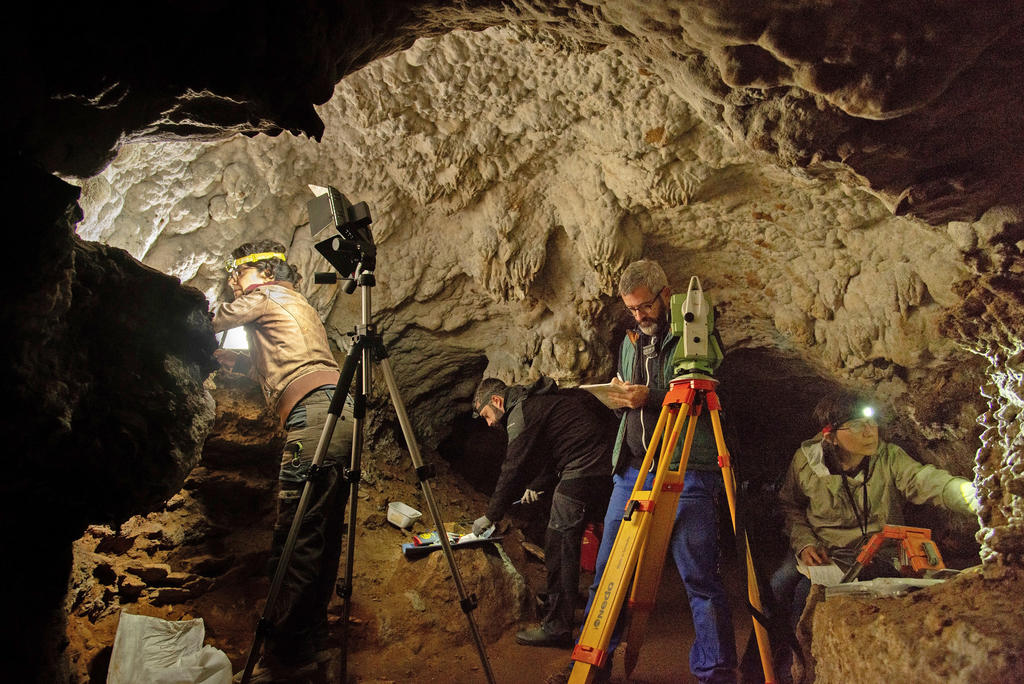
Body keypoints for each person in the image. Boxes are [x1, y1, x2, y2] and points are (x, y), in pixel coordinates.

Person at [582, 259, 737, 683]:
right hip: (632, 470)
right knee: (608, 573)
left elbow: (698, 387)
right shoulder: (631, 339)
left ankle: (716, 673)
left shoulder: (693, 330)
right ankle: (592, 663)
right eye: (631, 310)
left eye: (645, 306)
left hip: (686, 469)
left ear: (666, 294)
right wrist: (621, 397)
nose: (639, 316)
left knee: (700, 578)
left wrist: (646, 397)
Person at [212, 240, 354, 682]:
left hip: (312, 417)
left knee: (293, 541)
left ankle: (274, 660)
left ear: (264, 274)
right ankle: (308, 646)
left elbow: (211, 320)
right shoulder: (300, 304)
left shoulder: (266, 294)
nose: (238, 288)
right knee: (321, 539)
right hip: (341, 415)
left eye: (240, 279)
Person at [772, 389, 977, 631]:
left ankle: (804, 658)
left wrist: (973, 494)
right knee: (779, 584)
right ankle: (773, 646)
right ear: (831, 437)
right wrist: (805, 543)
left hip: (877, 550)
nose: (870, 432)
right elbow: (790, 506)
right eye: (858, 425)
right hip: (825, 548)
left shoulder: (889, 457)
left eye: (872, 422)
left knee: (807, 595)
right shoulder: (806, 462)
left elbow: (923, 480)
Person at [472, 376, 614, 648]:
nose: (489, 423)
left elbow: (512, 467)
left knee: (559, 541)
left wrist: (491, 515)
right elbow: (554, 446)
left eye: (487, 415)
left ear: (497, 401)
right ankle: (562, 600)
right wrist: (537, 485)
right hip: (594, 462)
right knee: (558, 535)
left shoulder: (520, 414)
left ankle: (557, 627)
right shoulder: (534, 402)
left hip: (586, 465)